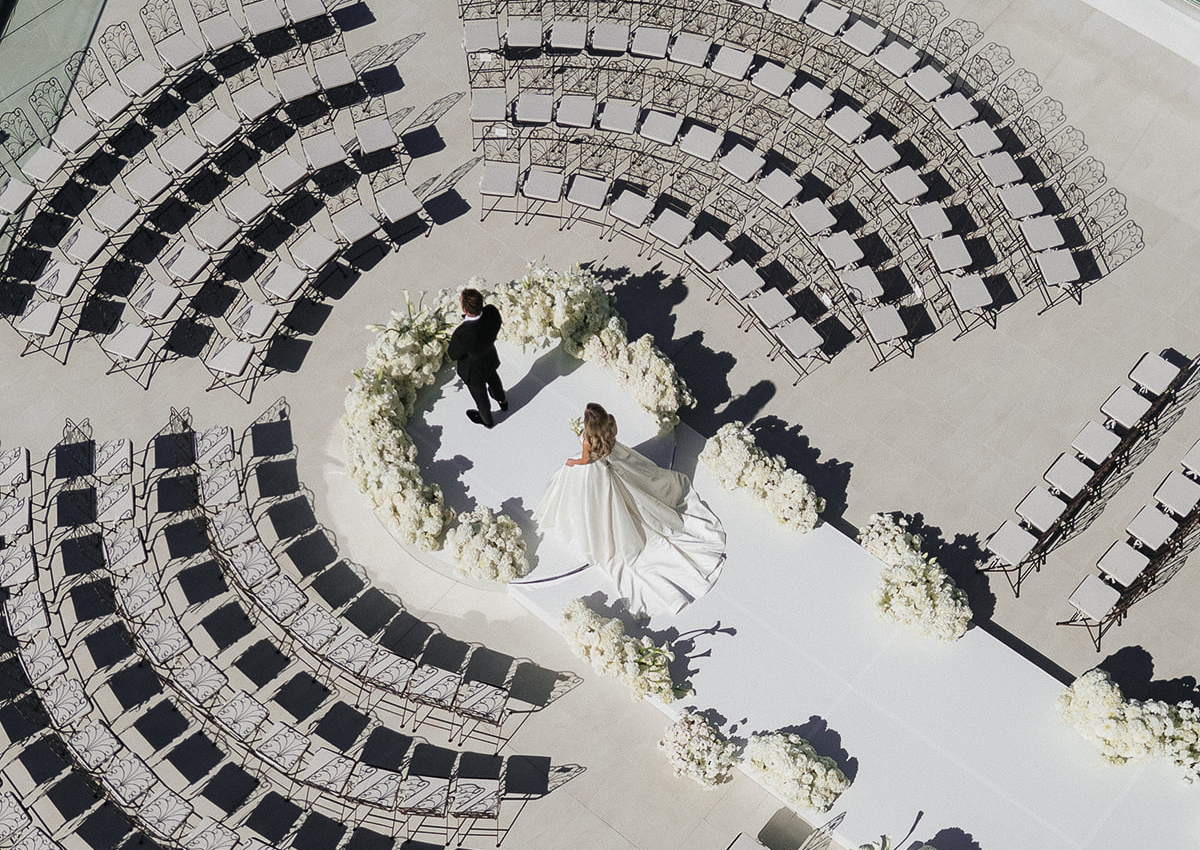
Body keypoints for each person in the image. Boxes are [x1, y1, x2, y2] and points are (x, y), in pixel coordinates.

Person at [534, 403, 726, 617]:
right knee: (634, 493)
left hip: (596, 473)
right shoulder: (611, 424)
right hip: (615, 461)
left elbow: (586, 459)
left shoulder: (588, 440)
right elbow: (612, 441)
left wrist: (572, 461)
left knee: (598, 504)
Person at [447, 288, 507, 428]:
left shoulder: (461, 334)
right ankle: (502, 400)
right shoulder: (491, 312)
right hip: (489, 359)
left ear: (465, 309)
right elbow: (497, 324)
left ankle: (487, 420)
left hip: (473, 372)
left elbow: (453, 354)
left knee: (480, 397)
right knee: (494, 379)